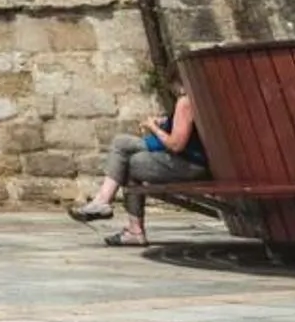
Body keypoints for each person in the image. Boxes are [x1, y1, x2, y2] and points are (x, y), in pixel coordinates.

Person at [69, 84, 206, 246]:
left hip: (190, 165)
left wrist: (153, 127)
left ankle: (117, 214)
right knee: (125, 151)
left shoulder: (186, 101)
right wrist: (166, 123)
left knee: (125, 153)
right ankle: (107, 206)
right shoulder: (202, 97)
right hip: (191, 161)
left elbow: (176, 145)